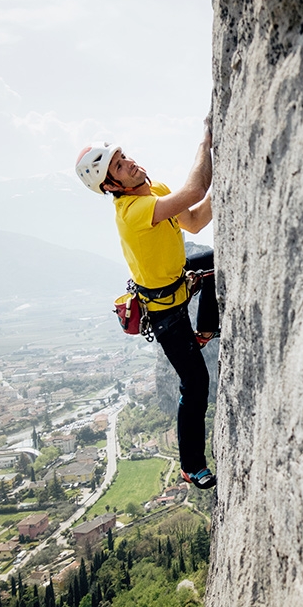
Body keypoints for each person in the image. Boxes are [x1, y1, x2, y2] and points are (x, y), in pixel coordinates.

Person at [74, 119, 218, 489]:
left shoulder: (154, 191)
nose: (131, 163)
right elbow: (197, 189)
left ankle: (205, 329)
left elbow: (197, 220)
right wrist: (208, 142)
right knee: (195, 381)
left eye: (124, 156)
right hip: (165, 312)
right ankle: (191, 465)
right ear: (111, 186)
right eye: (120, 166)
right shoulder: (132, 214)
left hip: (178, 279)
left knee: (216, 260)